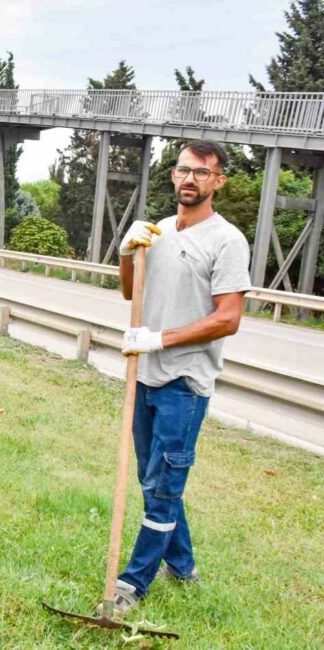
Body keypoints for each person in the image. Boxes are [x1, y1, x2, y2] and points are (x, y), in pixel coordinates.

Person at [108, 139, 252, 615]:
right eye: (183, 169)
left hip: (184, 384)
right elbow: (133, 291)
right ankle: (184, 566)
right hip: (144, 376)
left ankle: (131, 584)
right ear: (173, 175)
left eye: (201, 172)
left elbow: (228, 318)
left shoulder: (227, 241)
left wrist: (159, 339)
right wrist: (128, 254)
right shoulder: (160, 231)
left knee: (164, 486)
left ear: (218, 181)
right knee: (157, 484)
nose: (190, 179)